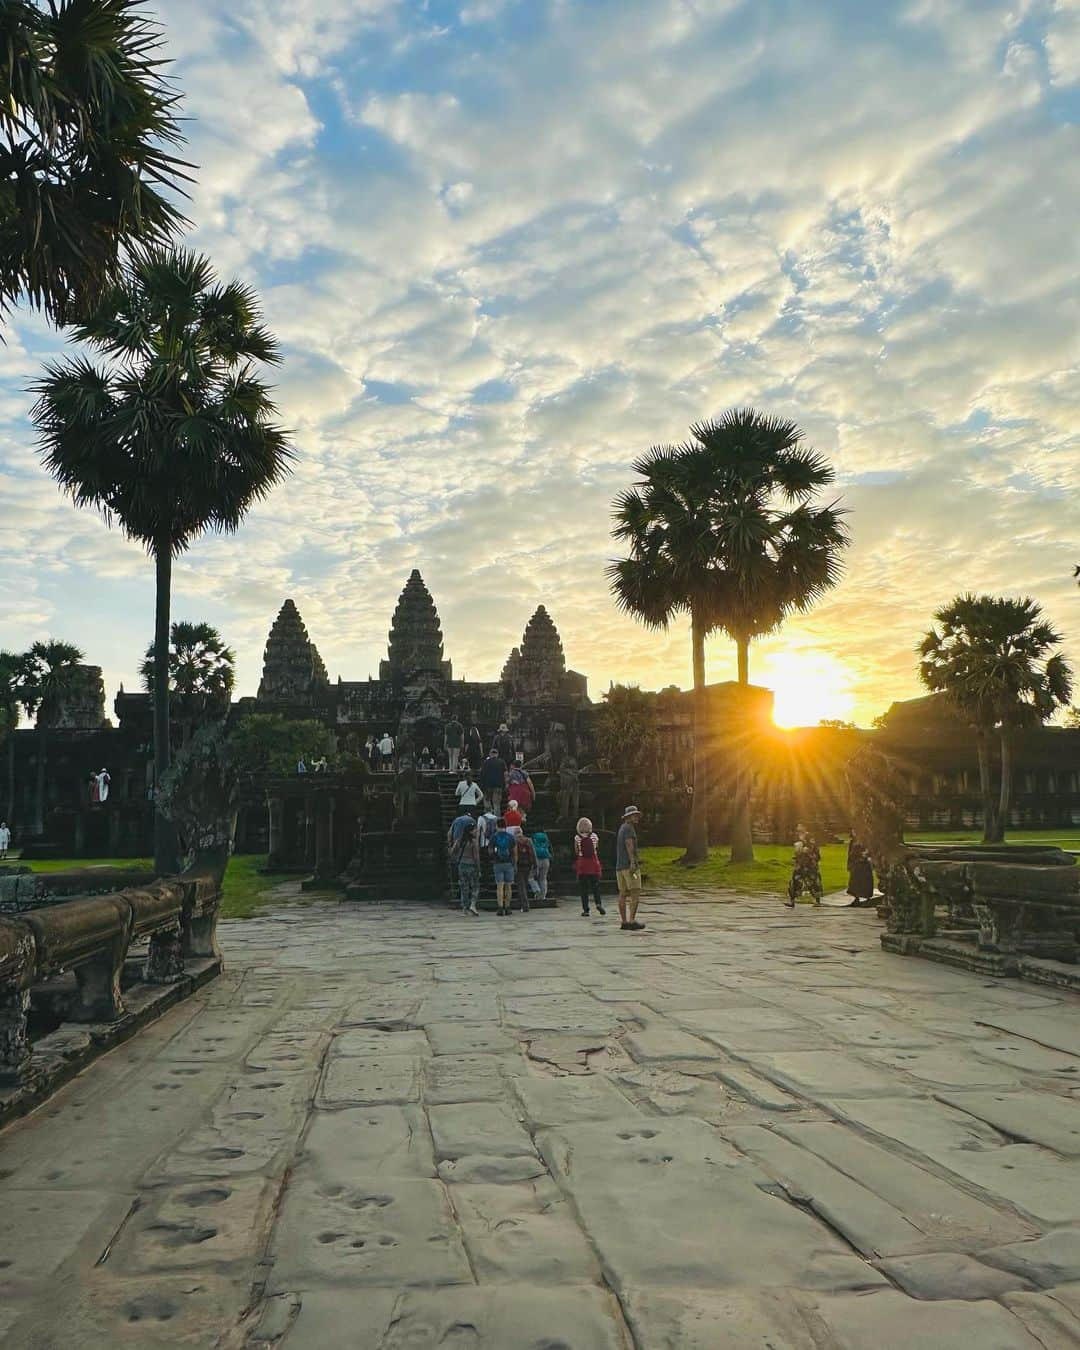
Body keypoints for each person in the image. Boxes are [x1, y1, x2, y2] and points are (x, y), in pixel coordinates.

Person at [616, 806, 645, 931]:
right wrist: (633, 861)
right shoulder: (629, 828)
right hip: (629, 867)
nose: (636, 817)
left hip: (620, 867)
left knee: (622, 893)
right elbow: (629, 845)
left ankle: (624, 921)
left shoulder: (622, 828)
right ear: (628, 817)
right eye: (634, 815)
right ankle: (632, 920)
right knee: (635, 892)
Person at [448, 811, 481, 914]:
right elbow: (476, 857)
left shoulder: (459, 841)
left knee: (464, 887)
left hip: (462, 865)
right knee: (475, 886)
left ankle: (464, 907)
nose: (476, 831)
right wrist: (478, 868)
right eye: (475, 830)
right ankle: (472, 904)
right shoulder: (473, 842)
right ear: (471, 831)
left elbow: (452, 851)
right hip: (472, 865)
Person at [786, 823, 823, 907]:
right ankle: (792, 901)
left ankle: (817, 901)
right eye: (798, 827)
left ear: (804, 827)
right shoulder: (797, 837)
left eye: (800, 826)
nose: (798, 828)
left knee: (813, 881)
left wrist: (806, 849)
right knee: (795, 880)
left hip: (810, 863)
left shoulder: (810, 837)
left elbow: (813, 848)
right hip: (800, 863)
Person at [574, 816, 605, 917]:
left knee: (584, 889)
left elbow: (576, 851)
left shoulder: (577, 837)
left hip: (583, 864)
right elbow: (597, 847)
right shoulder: (595, 836)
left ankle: (586, 909)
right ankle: (598, 903)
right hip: (593, 862)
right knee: (595, 886)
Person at [490, 818, 518, 916]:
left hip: (498, 863)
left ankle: (500, 907)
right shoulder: (511, 837)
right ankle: (508, 907)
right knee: (508, 886)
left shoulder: (494, 837)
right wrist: (514, 864)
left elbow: (490, 851)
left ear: (497, 826)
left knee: (499, 886)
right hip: (509, 863)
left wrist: (494, 858)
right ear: (505, 826)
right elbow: (515, 852)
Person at [846, 833, 875, 906]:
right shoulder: (853, 841)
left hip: (865, 864)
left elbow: (871, 850)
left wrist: (866, 856)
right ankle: (856, 898)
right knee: (855, 881)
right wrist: (849, 864)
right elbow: (850, 854)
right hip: (856, 863)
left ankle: (868, 898)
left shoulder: (867, 840)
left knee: (866, 880)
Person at [479, 748, 507, 816]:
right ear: (497, 754)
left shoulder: (485, 762)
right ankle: (497, 821)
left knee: (487, 803)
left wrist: (482, 785)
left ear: (490, 754)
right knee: (497, 805)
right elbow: (505, 774)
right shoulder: (502, 762)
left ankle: (488, 818)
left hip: (487, 786)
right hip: (498, 786)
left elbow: (482, 774)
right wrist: (505, 785)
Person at [514, 831, 536, 912]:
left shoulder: (515, 842)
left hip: (519, 865)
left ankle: (525, 905)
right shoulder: (528, 841)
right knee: (524, 885)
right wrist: (535, 864)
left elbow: (514, 854)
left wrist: (514, 865)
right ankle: (521, 903)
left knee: (521, 886)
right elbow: (533, 853)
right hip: (528, 865)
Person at [532, 829, 552, 901]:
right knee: (543, 878)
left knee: (531, 878)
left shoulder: (534, 837)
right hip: (546, 859)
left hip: (537, 858)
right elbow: (549, 847)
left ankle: (537, 890)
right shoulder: (546, 837)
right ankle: (543, 896)